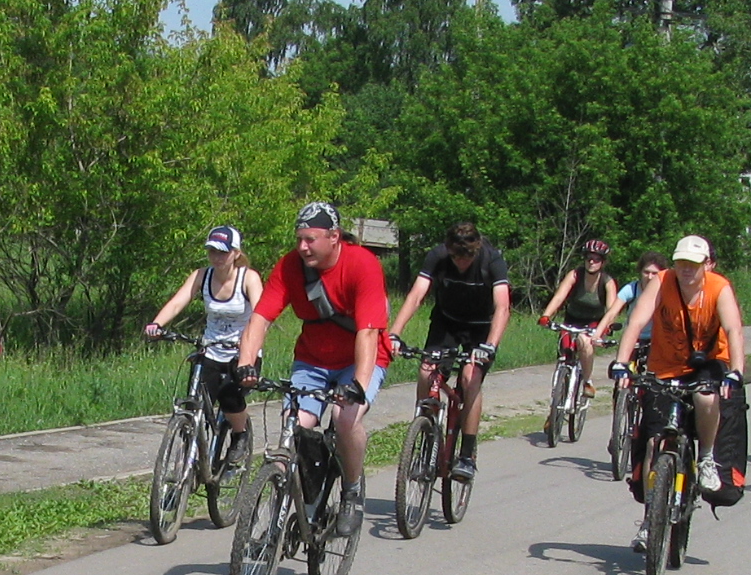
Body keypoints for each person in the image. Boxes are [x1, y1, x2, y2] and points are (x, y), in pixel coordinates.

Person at [232, 200, 390, 547]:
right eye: (299, 239)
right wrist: (246, 363)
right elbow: (260, 318)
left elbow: (368, 333)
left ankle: (351, 492)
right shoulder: (291, 265)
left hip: (360, 360)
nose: (302, 247)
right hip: (313, 360)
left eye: (310, 239)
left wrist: (358, 386)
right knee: (294, 427)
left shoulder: (362, 264)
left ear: (334, 237)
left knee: (345, 418)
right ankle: (299, 504)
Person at [610, 234, 746, 553]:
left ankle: (707, 457)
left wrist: (737, 370)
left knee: (706, 396)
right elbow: (636, 321)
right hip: (666, 365)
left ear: (706, 265)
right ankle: (649, 520)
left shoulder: (719, 288)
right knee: (652, 442)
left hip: (708, 363)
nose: (686, 269)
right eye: (681, 262)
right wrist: (621, 363)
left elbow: (734, 329)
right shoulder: (662, 282)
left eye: (693, 264)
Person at [391, 219, 512, 484]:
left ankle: (466, 455)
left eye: (466, 257)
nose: (461, 262)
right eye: (456, 257)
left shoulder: (492, 260)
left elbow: (503, 307)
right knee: (427, 372)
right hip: (446, 323)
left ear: (476, 250)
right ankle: (425, 437)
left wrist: (490, 345)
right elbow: (416, 296)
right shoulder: (438, 256)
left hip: (480, 329)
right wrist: (395, 333)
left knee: (470, 378)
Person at [145, 225, 263, 473]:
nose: (216, 257)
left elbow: (261, 316)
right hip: (211, 350)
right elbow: (178, 302)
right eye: (212, 251)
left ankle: (240, 435)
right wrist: (157, 324)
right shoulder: (202, 275)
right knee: (195, 400)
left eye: (223, 252)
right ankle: (188, 456)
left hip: (242, 353)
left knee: (229, 396)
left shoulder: (248, 278)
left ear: (236, 253)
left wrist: (248, 348)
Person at [537, 234, 618, 400]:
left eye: (597, 259)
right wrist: (546, 315)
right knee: (564, 353)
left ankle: (587, 382)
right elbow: (559, 297)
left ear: (603, 262)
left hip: (594, 323)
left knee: (584, 343)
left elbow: (611, 310)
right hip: (572, 320)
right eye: (589, 258)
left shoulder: (607, 282)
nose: (592, 262)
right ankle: (558, 401)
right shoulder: (575, 275)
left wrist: (608, 326)